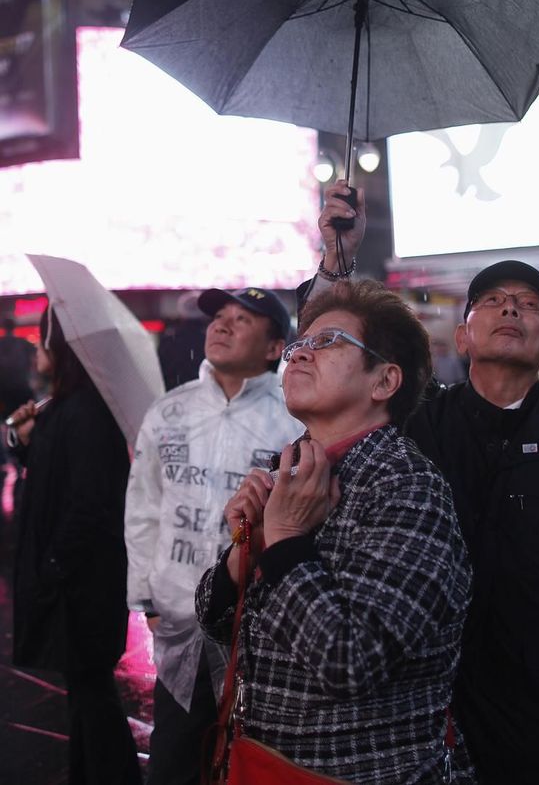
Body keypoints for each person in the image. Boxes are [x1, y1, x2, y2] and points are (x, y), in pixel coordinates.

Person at [300, 180, 539, 785]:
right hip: (412, 728)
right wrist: (337, 262)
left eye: (531, 303)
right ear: (461, 338)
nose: (511, 307)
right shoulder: (407, 429)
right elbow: (335, 373)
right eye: (491, 300)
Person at [196, 279, 472, 784]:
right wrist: (245, 555)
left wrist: (284, 542)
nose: (300, 354)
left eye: (328, 343)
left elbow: (350, 662)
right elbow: (224, 626)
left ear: (384, 382)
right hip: (262, 761)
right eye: (301, 344)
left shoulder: (408, 489)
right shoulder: (292, 466)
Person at [125, 285, 303, 785]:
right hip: (180, 620)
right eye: (218, 316)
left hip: (260, 630)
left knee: (253, 763)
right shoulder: (169, 412)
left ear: (273, 348)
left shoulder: (292, 418)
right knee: (175, 760)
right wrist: (148, 603)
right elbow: (143, 509)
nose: (221, 325)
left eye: (241, 320)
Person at [9, 306, 141, 785]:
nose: (37, 350)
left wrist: (52, 563)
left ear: (63, 350)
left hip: (83, 586)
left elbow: (90, 502)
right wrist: (22, 439)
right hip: (74, 581)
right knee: (85, 694)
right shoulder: (64, 407)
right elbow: (54, 478)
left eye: (45, 340)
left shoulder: (86, 411)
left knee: (93, 695)